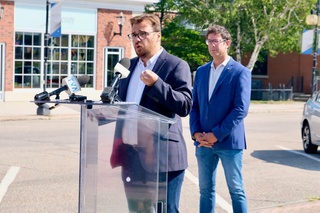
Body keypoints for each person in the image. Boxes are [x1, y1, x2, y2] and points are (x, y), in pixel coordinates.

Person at [110, 14, 192, 213]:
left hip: (163, 158)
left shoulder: (176, 65)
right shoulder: (127, 67)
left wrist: (157, 84)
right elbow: (122, 107)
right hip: (131, 157)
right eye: (134, 35)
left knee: (167, 211)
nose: (137, 39)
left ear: (158, 36)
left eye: (143, 34)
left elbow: (185, 105)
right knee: (137, 210)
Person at [189, 24, 251, 213]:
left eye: (216, 41)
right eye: (209, 41)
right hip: (203, 143)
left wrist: (215, 135)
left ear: (227, 43)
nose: (212, 45)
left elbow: (240, 110)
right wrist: (196, 133)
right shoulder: (201, 71)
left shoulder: (240, 72)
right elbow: (195, 106)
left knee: (236, 190)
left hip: (229, 143)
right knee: (205, 190)